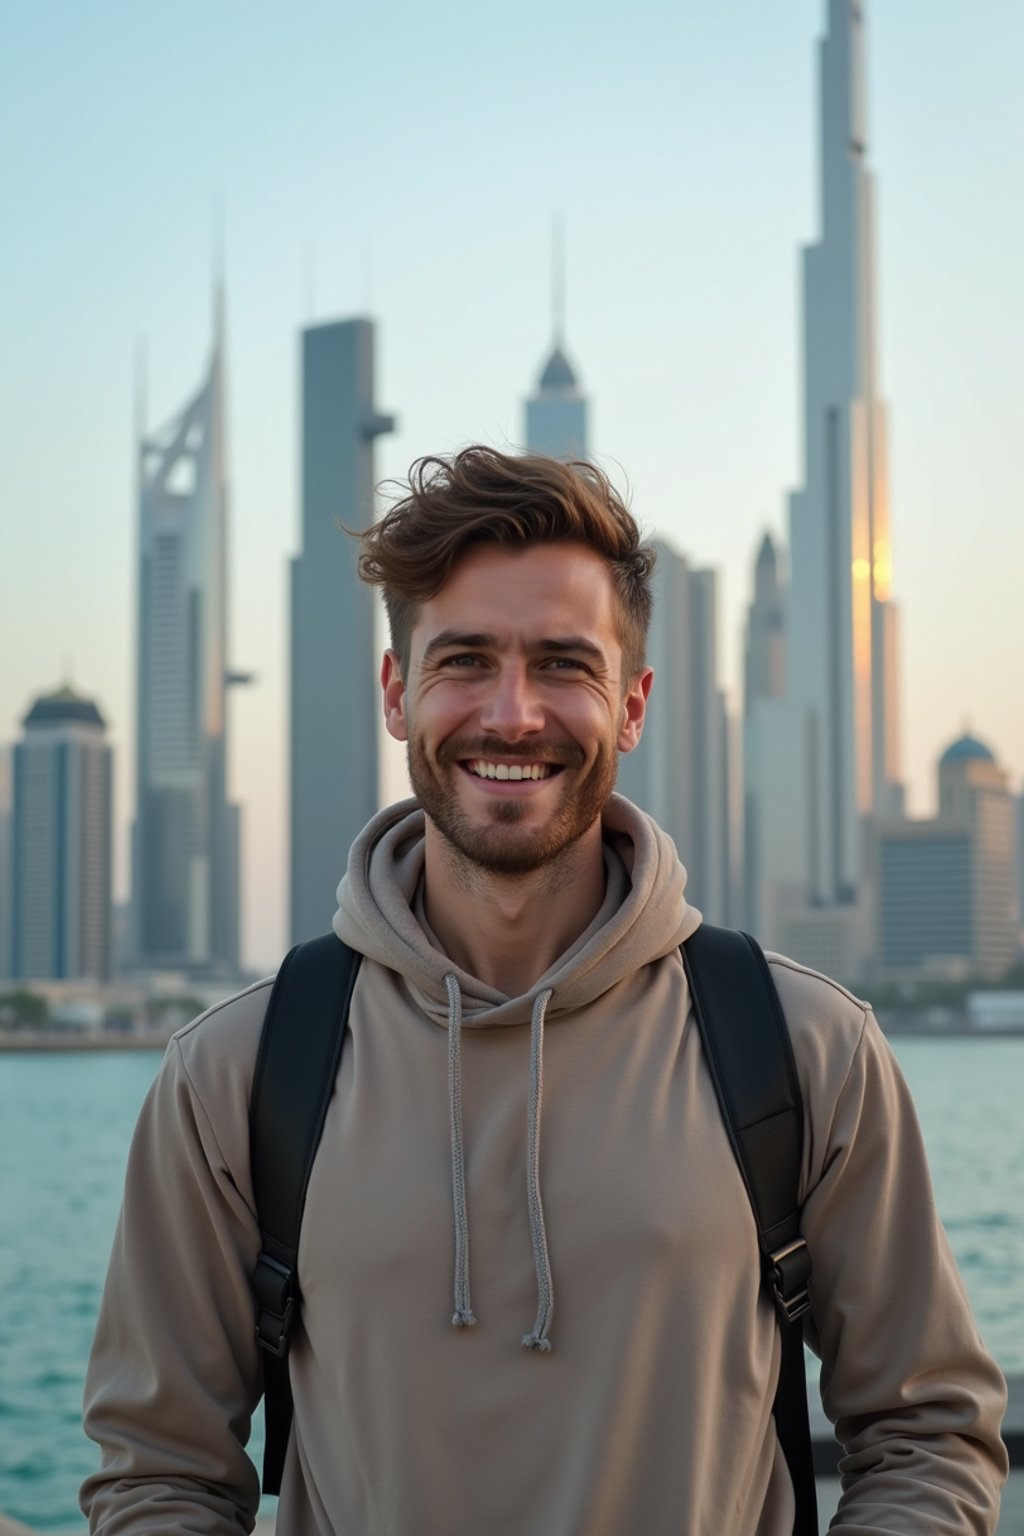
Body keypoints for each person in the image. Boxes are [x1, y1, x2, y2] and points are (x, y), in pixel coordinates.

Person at [81, 447, 1007, 1534]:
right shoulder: (234, 1074)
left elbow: (927, 1435)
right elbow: (158, 1474)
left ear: (631, 704)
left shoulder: (805, 1048)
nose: (512, 715)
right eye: (464, 660)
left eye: (564, 664)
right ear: (397, 693)